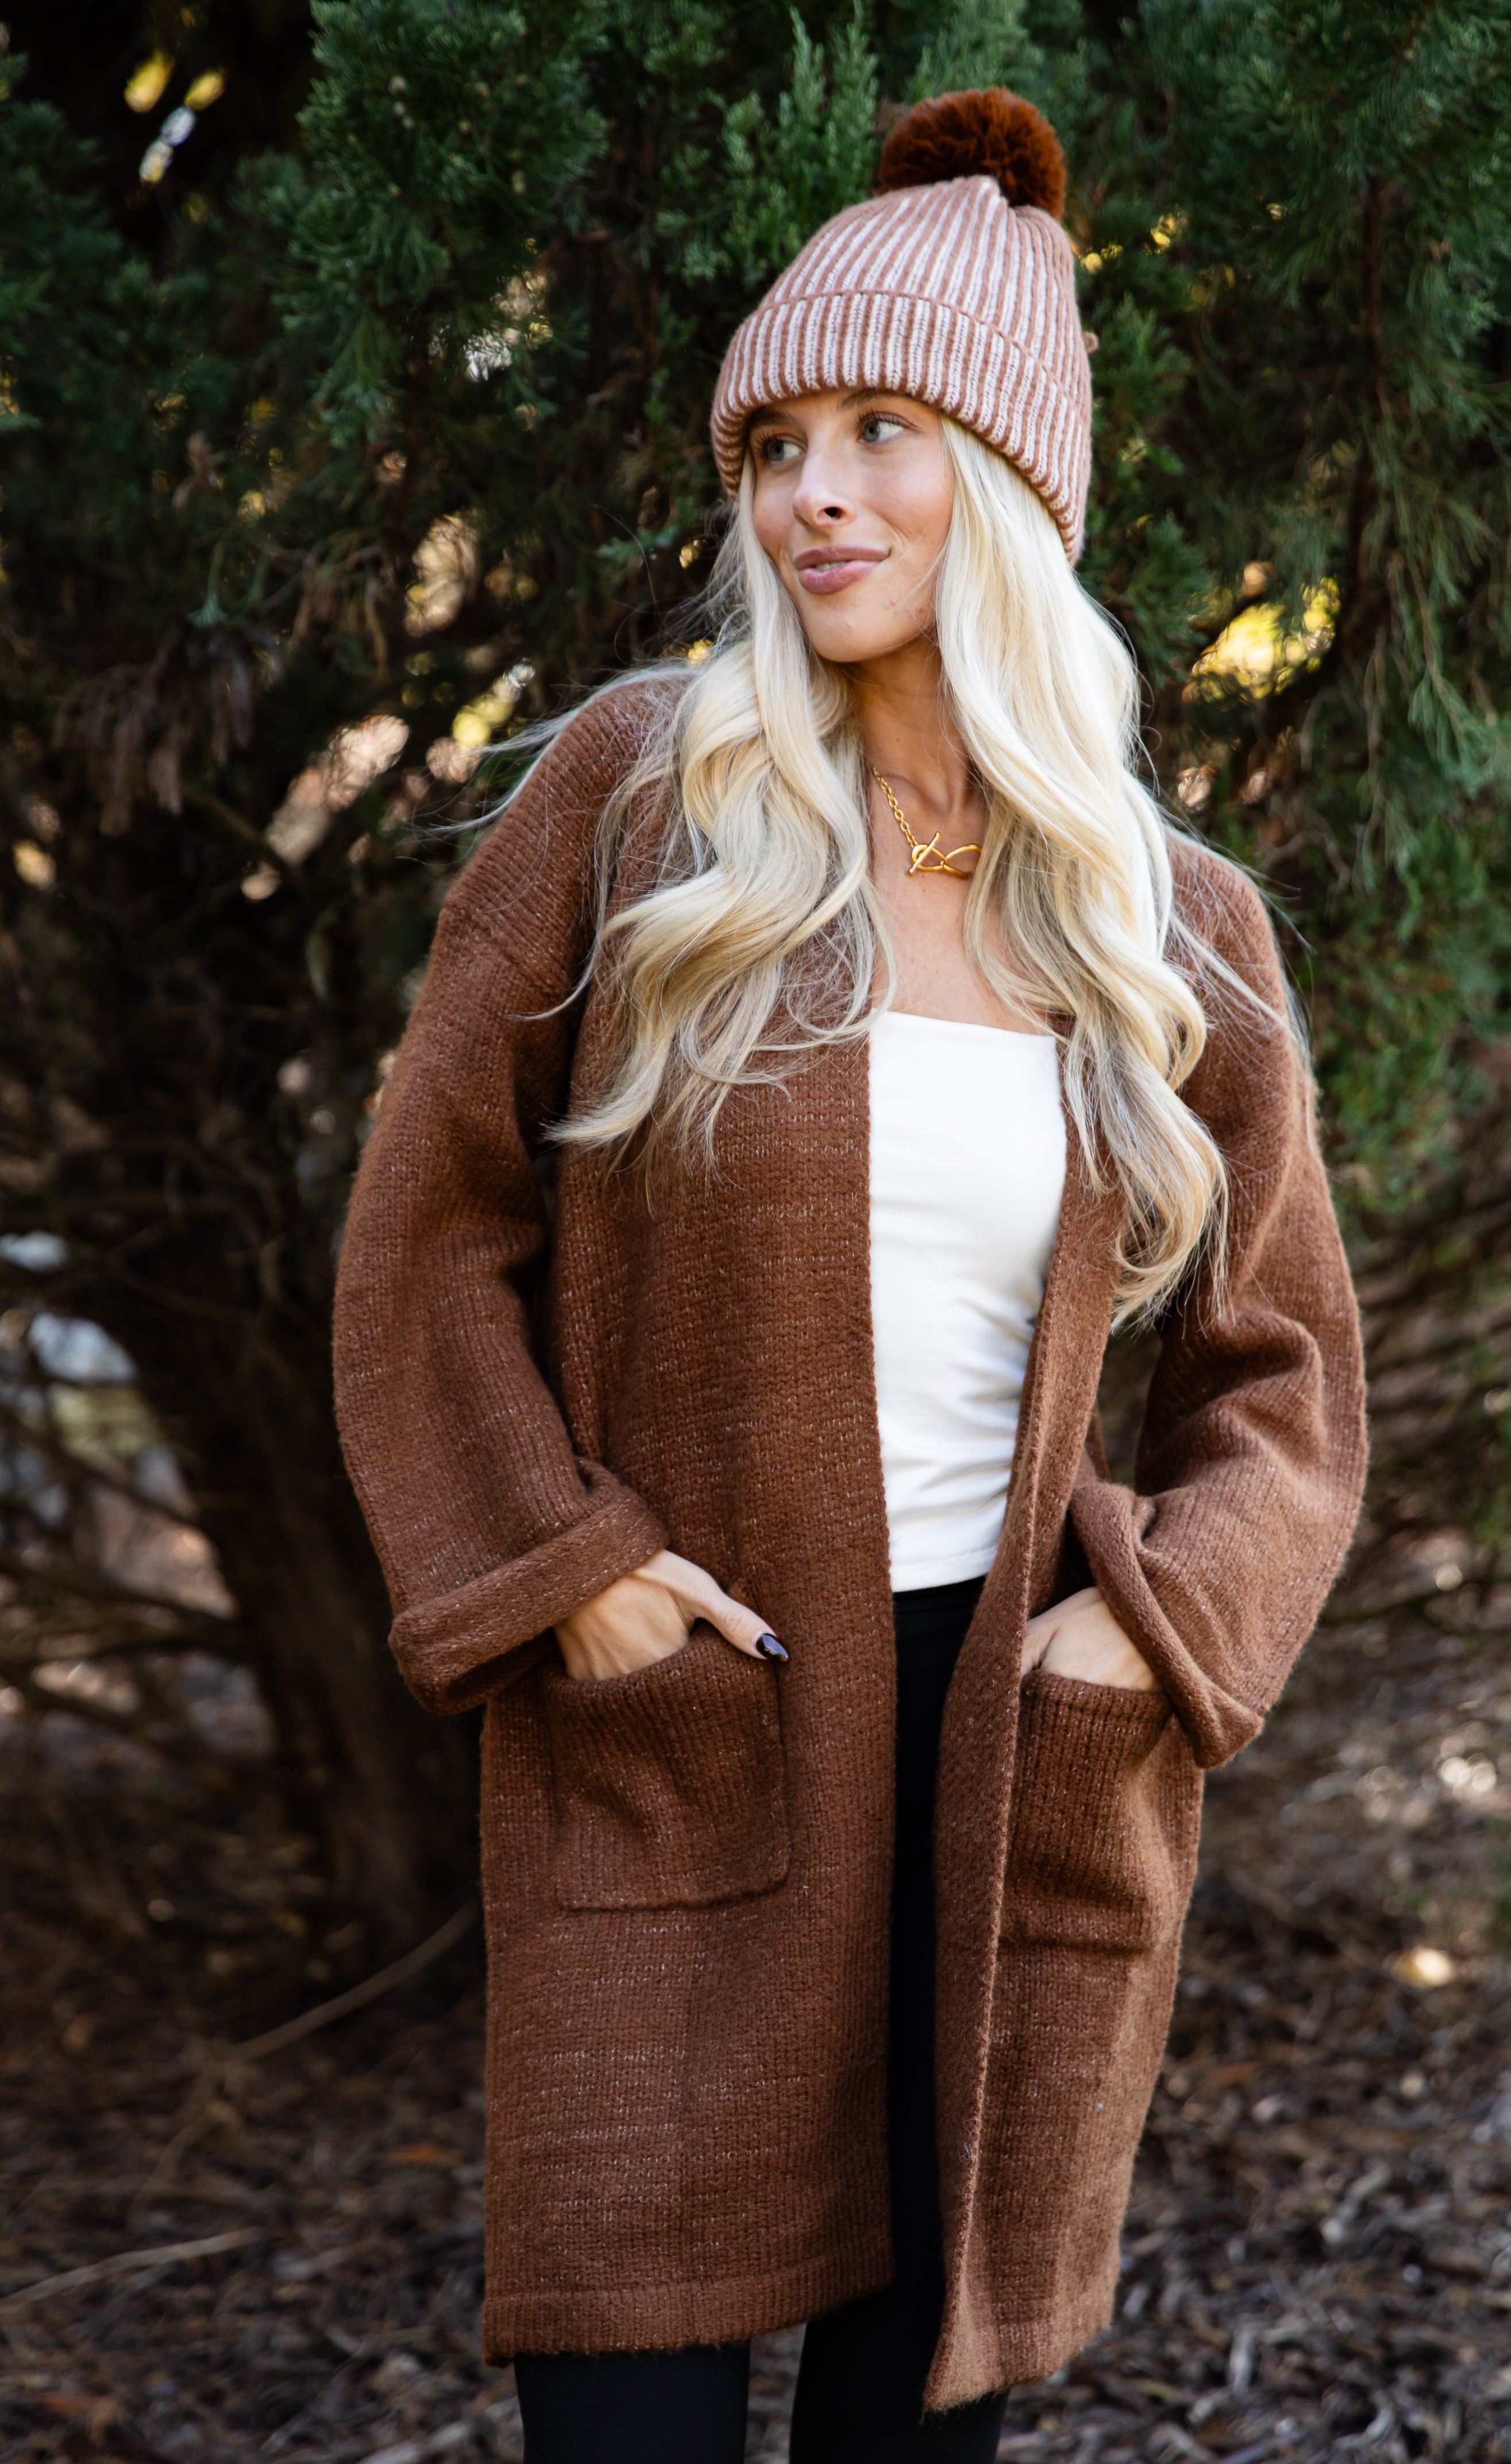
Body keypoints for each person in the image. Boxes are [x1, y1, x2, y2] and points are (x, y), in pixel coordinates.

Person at [333, 84, 1367, 2464]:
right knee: (629, 2416)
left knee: (918, 2427)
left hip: (1004, 1749)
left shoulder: (1159, 923)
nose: (809, 489)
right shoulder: (635, 801)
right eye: (772, 438)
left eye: (880, 428)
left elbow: (1286, 1371)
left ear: (1003, 488)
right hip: (681, 1707)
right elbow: (423, 1240)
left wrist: (1161, 1631)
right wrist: (561, 1570)